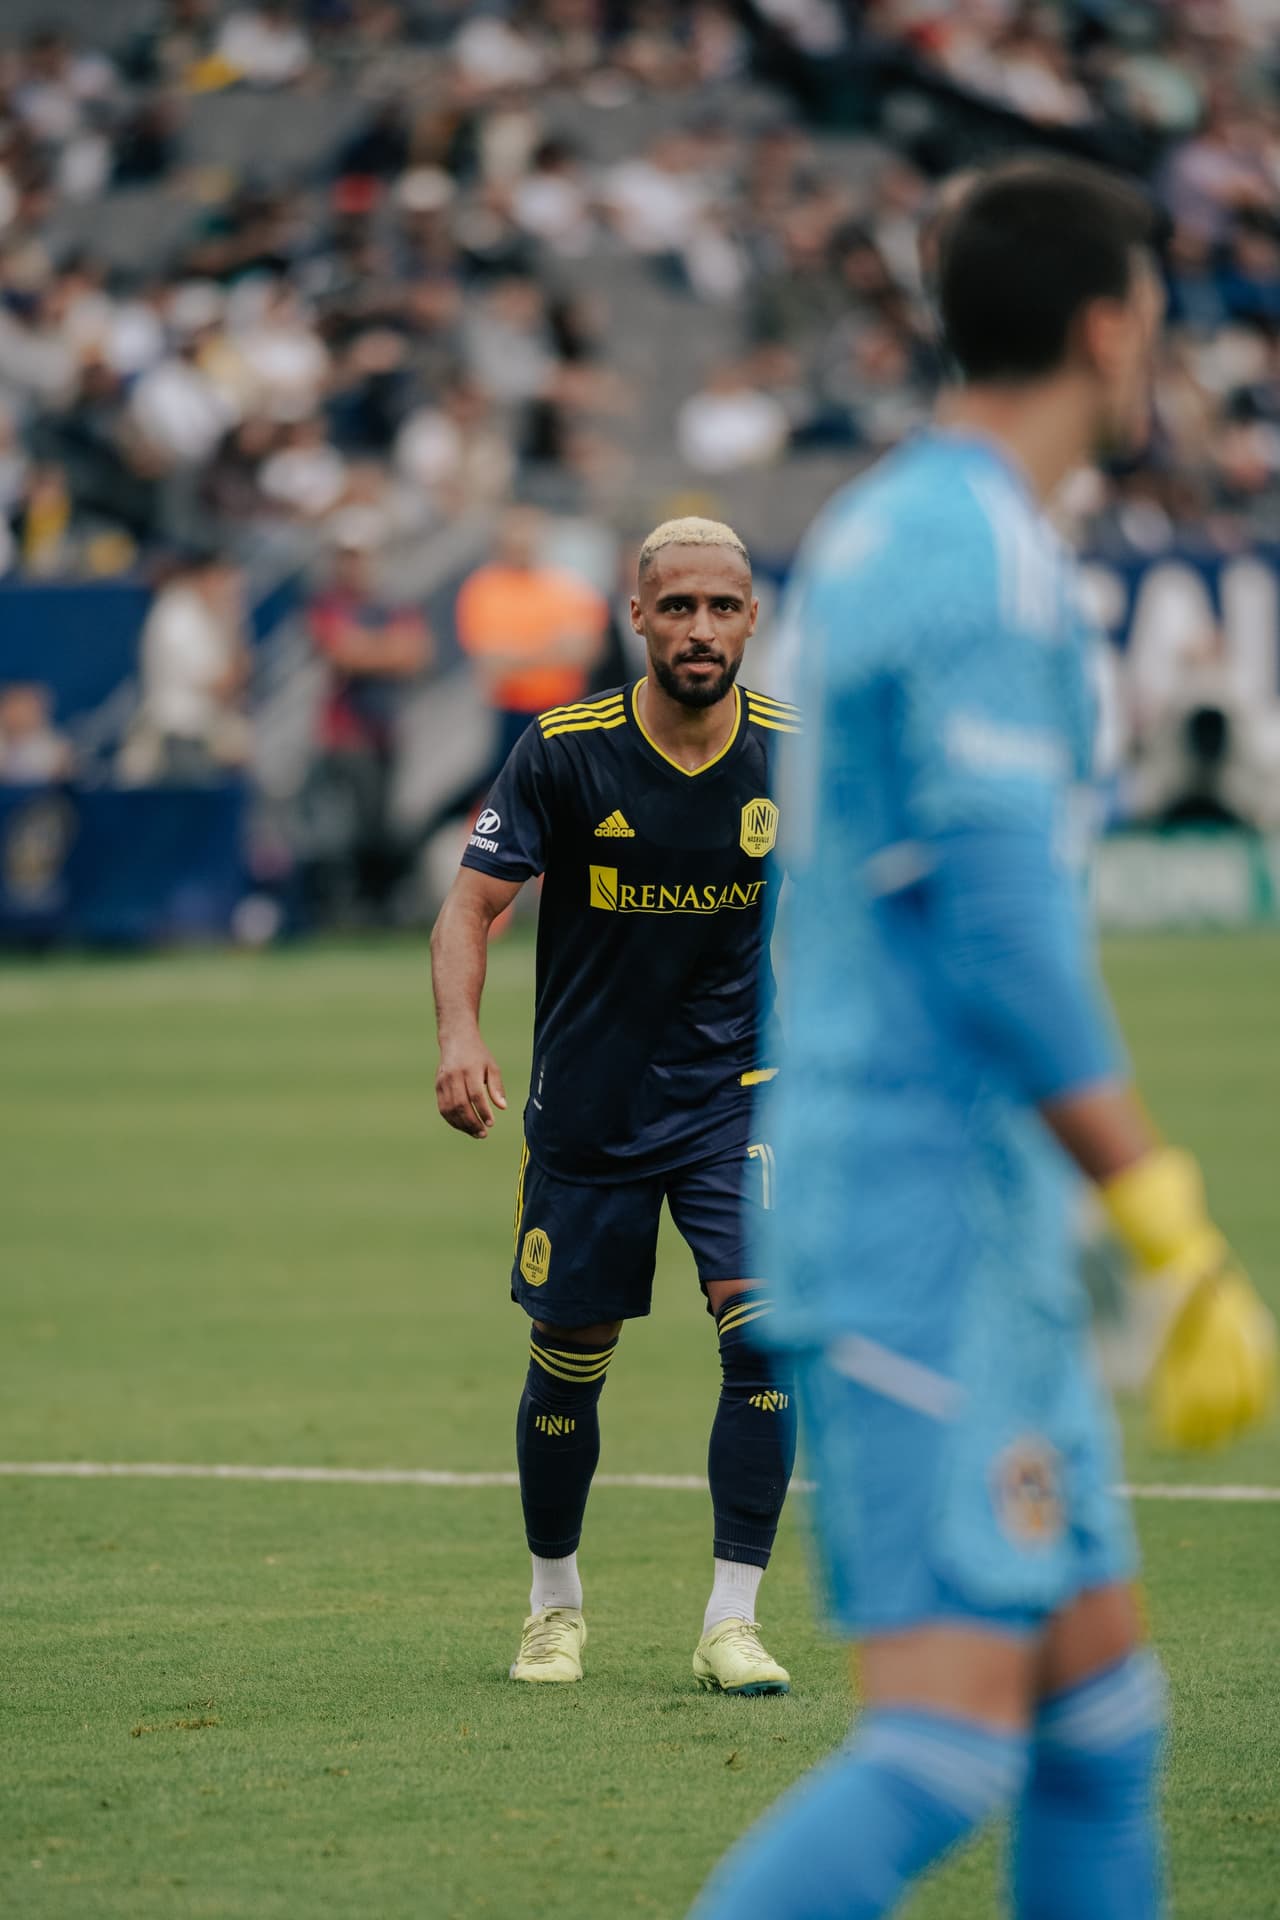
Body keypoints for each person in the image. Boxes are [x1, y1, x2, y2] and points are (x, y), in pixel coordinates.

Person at [690, 160, 1275, 1920]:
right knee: (945, 1749)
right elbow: (1005, 934)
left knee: (1101, 1722)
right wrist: (1160, 1206)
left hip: (989, 1224)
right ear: (1110, 328)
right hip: (921, 1219)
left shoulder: (893, 524)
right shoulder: (977, 557)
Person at [431, 516, 800, 1694]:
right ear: (635, 617)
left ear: (753, 619)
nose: (700, 629)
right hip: (589, 1102)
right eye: (678, 607)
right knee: (569, 1351)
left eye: (723, 607)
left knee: (764, 1334)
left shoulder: (797, 755)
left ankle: (730, 1621)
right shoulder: (561, 748)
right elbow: (470, 906)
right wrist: (456, 1036)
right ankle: (553, 1607)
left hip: (736, 1096)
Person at [304, 516, 432, 919]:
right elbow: (344, 653)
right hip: (347, 732)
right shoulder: (328, 604)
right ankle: (354, 907)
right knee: (351, 826)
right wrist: (385, 650)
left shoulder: (389, 604)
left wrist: (369, 650)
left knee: (381, 822)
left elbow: (415, 654)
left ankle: (375, 906)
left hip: (384, 729)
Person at [454, 505, 609, 776]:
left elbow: (588, 651)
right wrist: (553, 652)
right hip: (510, 710)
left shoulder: (567, 587)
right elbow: (492, 663)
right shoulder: (485, 588)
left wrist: (520, 656)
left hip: (564, 709)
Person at [130, 549, 250, 782]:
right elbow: (223, 684)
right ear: (209, 576)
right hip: (181, 740)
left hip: (198, 737)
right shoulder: (179, 616)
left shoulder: (202, 614)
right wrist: (234, 621)